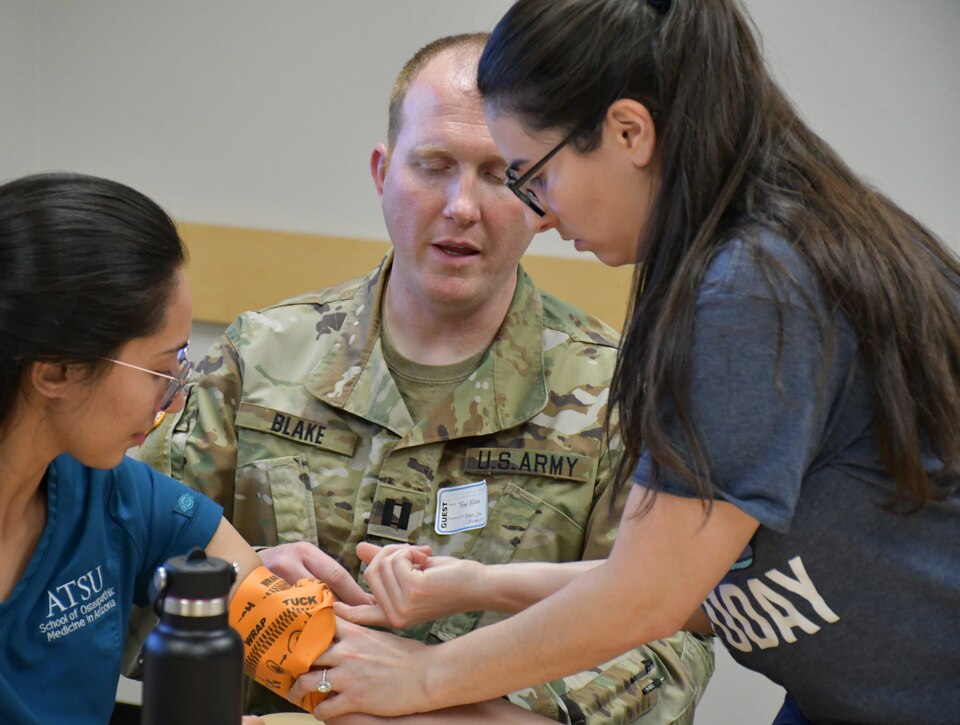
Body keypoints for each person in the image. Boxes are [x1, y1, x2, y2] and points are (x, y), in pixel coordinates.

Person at [285, 1, 960, 724]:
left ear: (629, 132)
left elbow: (648, 596)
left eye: (527, 174)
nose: (537, 213)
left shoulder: (755, 284)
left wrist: (423, 677)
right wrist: (481, 583)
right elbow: (694, 575)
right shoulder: (753, 251)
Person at [137, 33, 714, 723]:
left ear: (541, 194)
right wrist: (246, 592)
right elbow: (121, 554)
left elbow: (673, 633)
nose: (461, 206)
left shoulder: (621, 391)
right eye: (433, 165)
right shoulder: (260, 357)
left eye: (499, 175)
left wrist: (456, 703)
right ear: (383, 172)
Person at [0, 173, 267, 725]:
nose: (173, 402)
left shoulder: (108, 496)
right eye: (159, 370)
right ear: (55, 370)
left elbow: (275, 619)